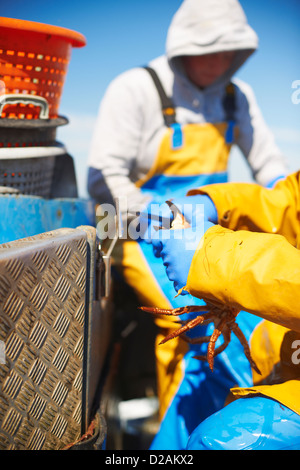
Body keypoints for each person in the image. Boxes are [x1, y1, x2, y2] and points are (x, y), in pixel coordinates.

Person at [87, 0, 288, 449]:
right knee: (199, 329)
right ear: (182, 48)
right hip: (144, 235)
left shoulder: (238, 96)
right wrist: (157, 220)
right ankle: (176, 443)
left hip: (214, 227)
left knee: (254, 321)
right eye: (207, 51)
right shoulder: (136, 88)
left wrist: (284, 204)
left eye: (229, 52)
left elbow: (270, 166)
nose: (218, 62)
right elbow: (103, 177)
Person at [150, 171, 300, 449]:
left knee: (217, 437)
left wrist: (214, 258)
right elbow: (289, 202)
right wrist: (218, 205)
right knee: (202, 365)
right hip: (287, 343)